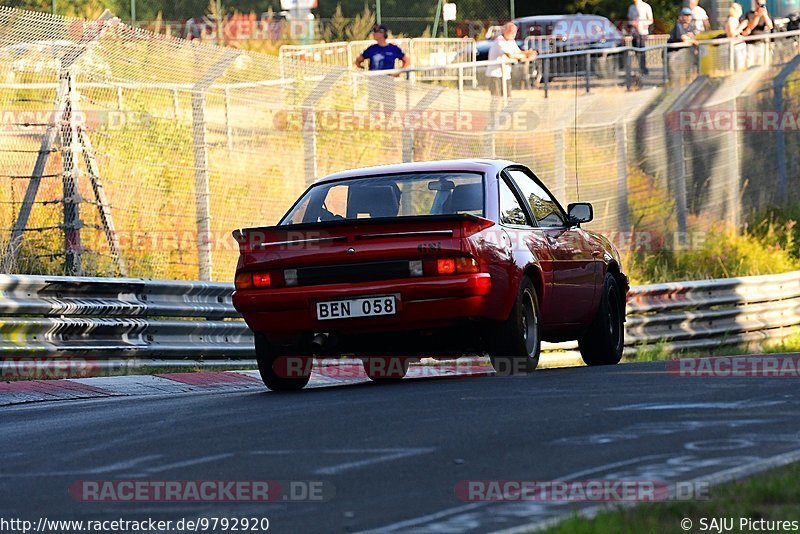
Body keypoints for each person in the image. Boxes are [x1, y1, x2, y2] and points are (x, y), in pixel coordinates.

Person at [354, 24, 410, 111]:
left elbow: (406, 60)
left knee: (389, 105)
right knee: (374, 105)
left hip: (388, 82)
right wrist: (365, 71)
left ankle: (386, 123)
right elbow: (358, 61)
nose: (373, 34)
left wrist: (398, 72)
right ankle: (377, 123)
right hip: (374, 82)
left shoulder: (393, 48)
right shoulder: (372, 49)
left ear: (382, 33)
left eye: (375, 32)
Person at [485, 22, 535, 100]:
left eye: (515, 32)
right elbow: (510, 55)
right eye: (511, 31)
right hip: (495, 75)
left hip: (505, 74)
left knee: (508, 98)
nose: (514, 34)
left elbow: (518, 53)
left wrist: (528, 54)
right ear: (505, 31)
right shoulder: (500, 40)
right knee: (496, 100)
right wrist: (525, 55)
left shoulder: (511, 41)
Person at [741, 0, 774, 67]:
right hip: (750, 43)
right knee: (750, 64)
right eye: (759, 4)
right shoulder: (750, 14)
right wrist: (757, 16)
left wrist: (765, 15)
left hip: (761, 43)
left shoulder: (767, 15)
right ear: (756, 4)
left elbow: (770, 26)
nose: (760, 6)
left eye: (763, 5)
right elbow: (750, 27)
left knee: (760, 64)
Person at [627, 0, 654, 75]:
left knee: (642, 50)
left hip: (643, 32)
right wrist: (632, 24)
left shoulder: (646, 6)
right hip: (634, 33)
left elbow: (650, 20)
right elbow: (629, 20)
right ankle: (639, 67)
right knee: (636, 50)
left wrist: (642, 23)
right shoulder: (631, 7)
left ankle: (643, 68)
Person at [726, 3, 748, 70]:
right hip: (735, 46)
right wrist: (741, 27)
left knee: (743, 65)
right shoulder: (731, 20)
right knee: (739, 66)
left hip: (740, 44)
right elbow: (732, 34)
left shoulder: (736, 20)